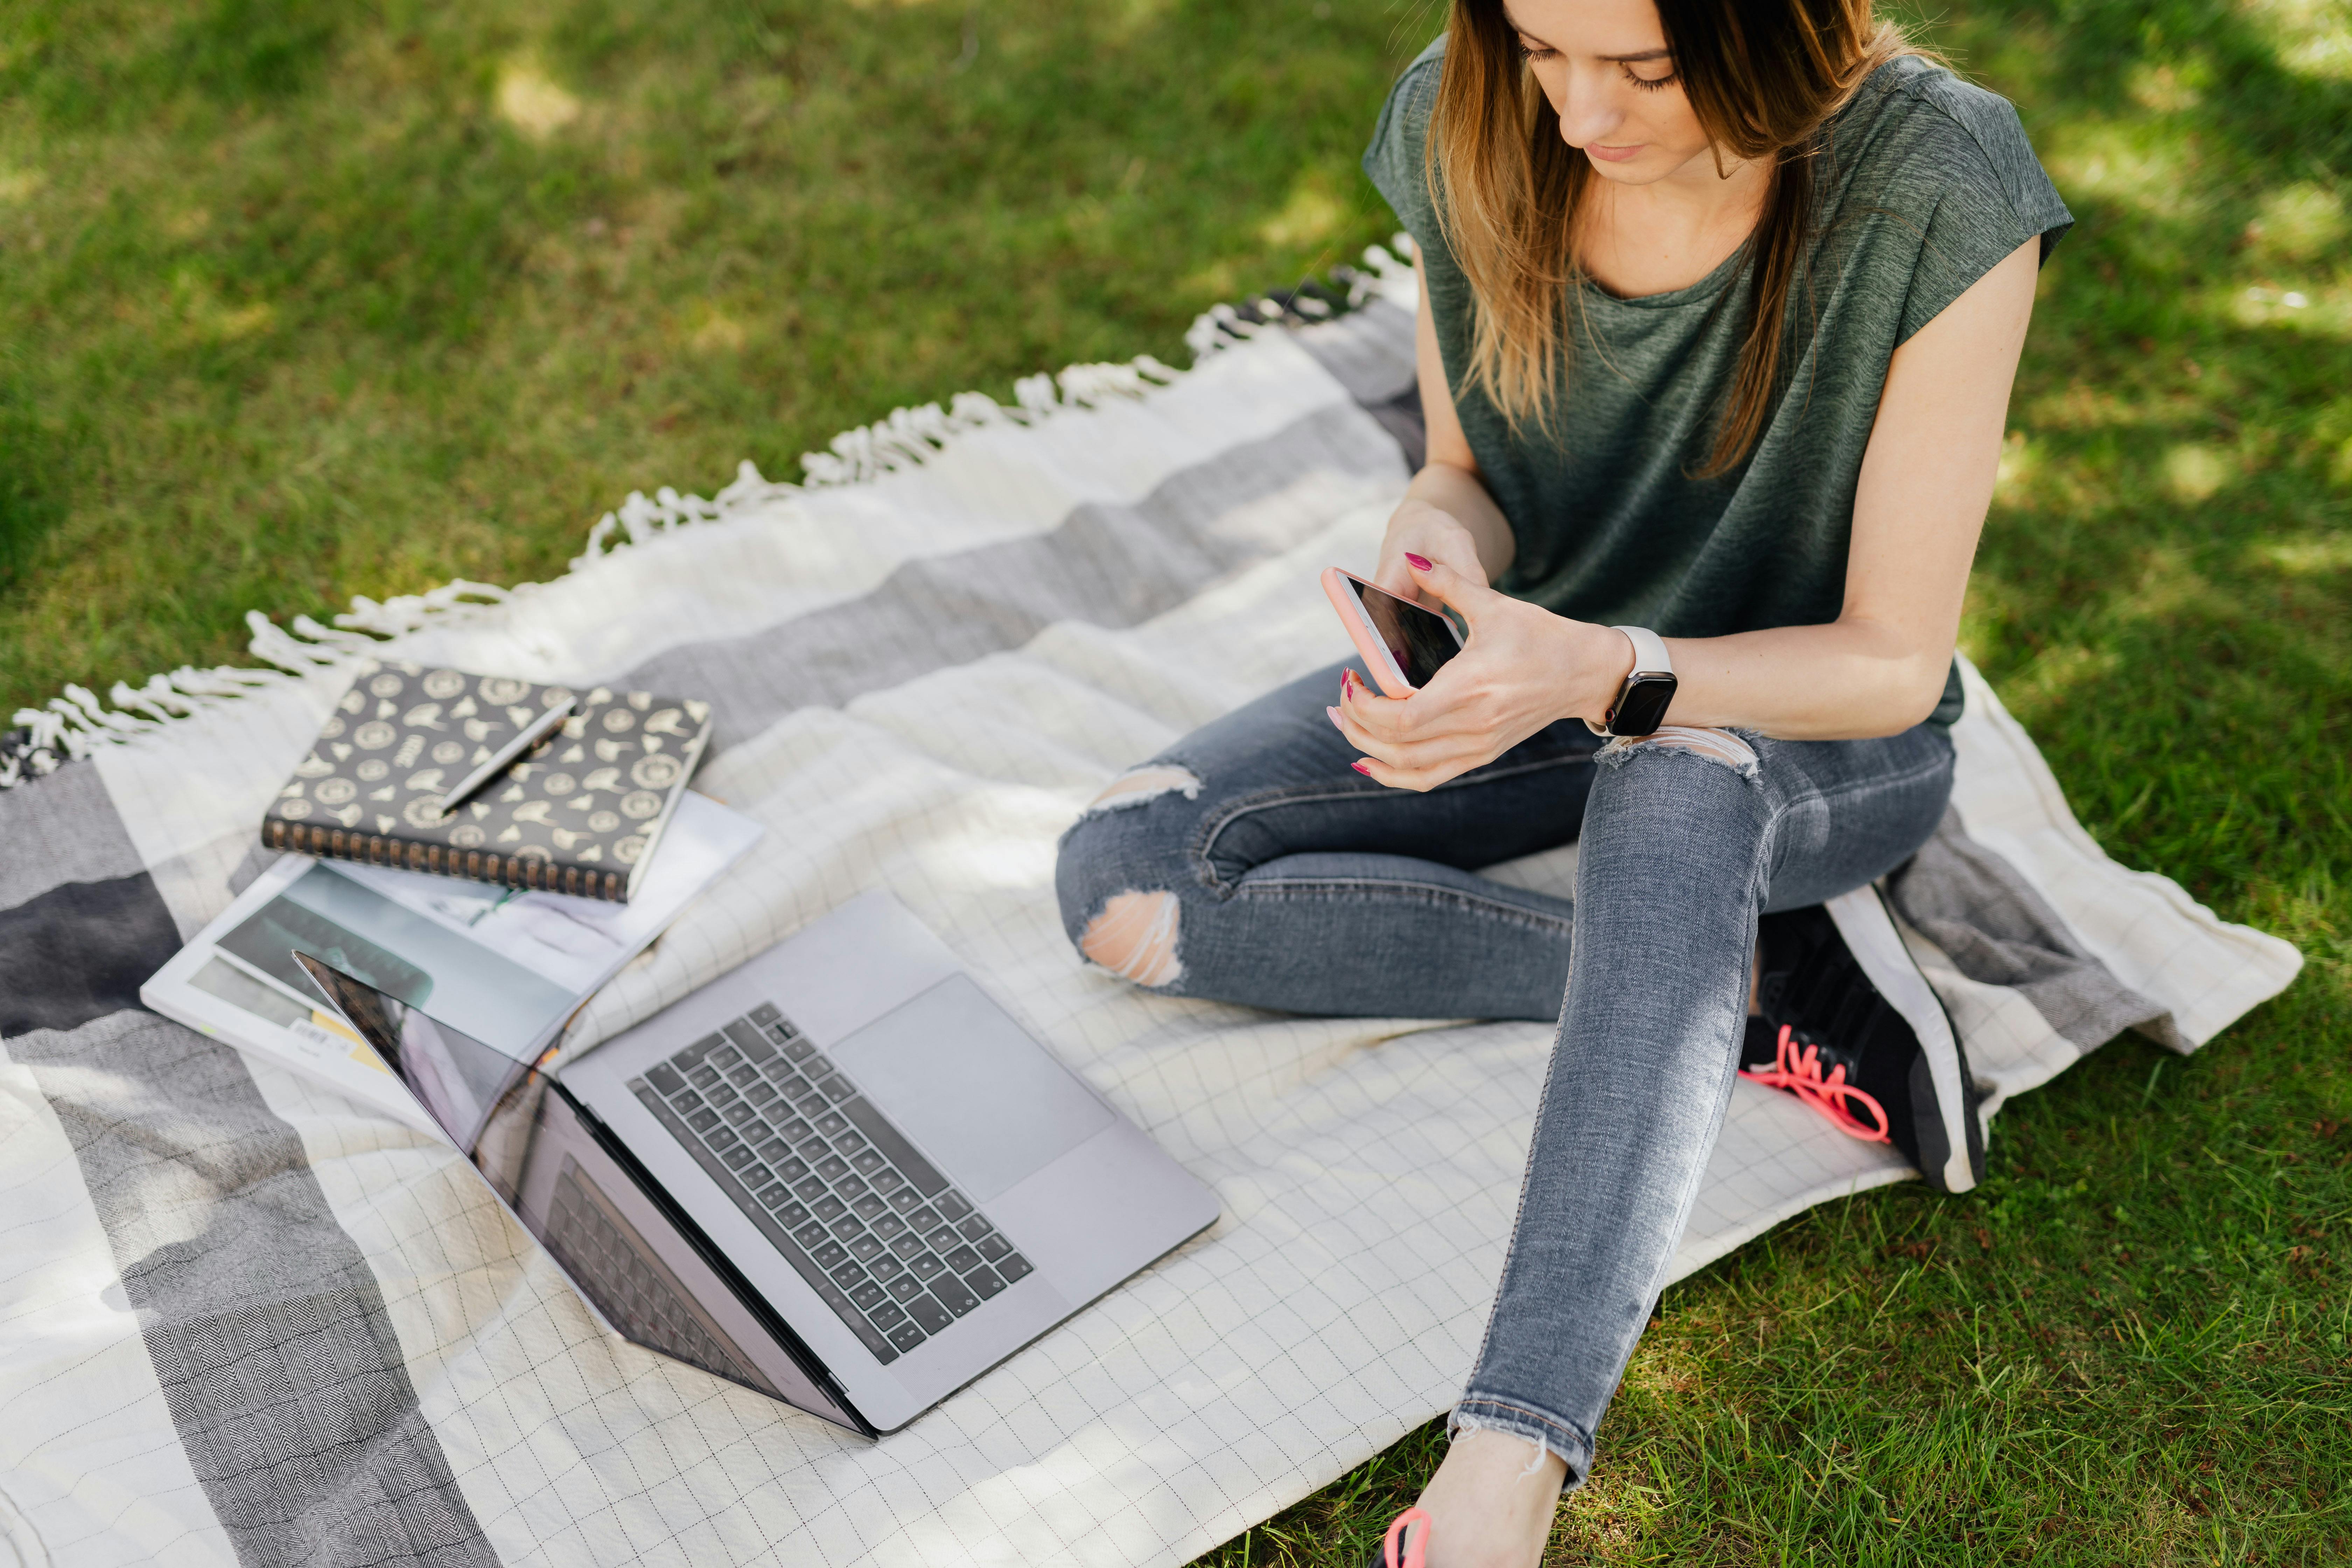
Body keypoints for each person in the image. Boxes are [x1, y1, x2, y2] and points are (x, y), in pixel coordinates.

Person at [1056, 0, 2070, 1561]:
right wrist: (1440, 561)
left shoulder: (1937, 177)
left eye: (1646, 70)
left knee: (1672, 781)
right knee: (1128, 873)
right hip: (1548, 660)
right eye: (1541, 47)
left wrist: (1606, 674)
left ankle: (1512, 1451)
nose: (1581, 110)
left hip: (1812, 727)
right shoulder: (1468, 118)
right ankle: (1741, 986)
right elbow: (1469, 471)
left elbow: (1888, 659)